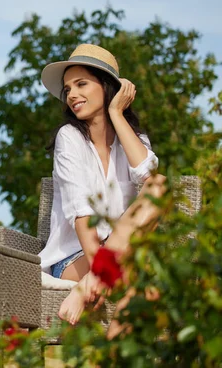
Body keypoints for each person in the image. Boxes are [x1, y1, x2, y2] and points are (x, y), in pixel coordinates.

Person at [38, 44, 167, 333]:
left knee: (158, 185)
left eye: (81, 84)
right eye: (68, 88)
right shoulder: (69, 137)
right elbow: (81, 215)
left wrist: (117, 115)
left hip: (119, 259)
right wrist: (100, 270)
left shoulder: (134, 140)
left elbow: (151, 179)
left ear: (107, 88)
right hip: (77, 259)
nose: (71, 94)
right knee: (147, 284)